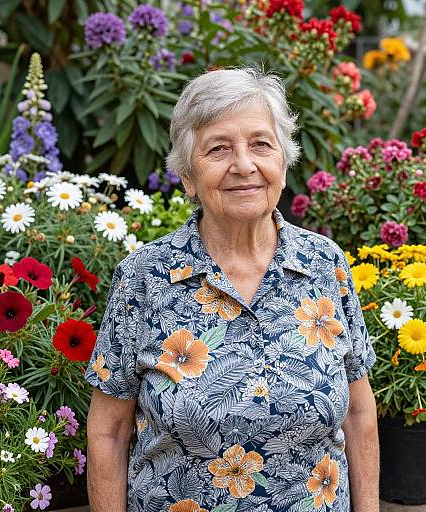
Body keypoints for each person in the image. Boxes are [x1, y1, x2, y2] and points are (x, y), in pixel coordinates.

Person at [85, 67, 379, 512]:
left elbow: (358, 414)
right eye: (218, 149)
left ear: (282, 160)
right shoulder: (144, 277)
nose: (244, 165)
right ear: (187, 176)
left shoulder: (325, 263)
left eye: (261, 144)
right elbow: (108, 431)